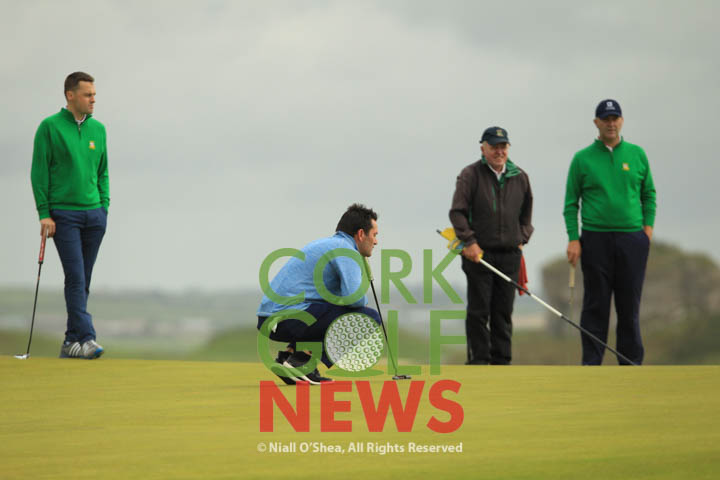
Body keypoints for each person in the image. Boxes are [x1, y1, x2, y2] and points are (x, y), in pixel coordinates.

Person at [564, 99, 656, 365]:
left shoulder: (637, 154)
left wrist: (647, 231)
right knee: (596, 305)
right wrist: (573, 238)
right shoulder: (582, 159)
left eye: (615, 118)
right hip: (595, 238)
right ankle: (592, 364)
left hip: (632, 239)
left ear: (622, 121)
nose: (611, 123)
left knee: (629, 306)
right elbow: (571, 203)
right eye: (605, 119)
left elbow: (649, 195)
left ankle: (630, 363)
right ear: (597, 123)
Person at [30, 72, 109, 359]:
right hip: (64, 216)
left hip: (94, 216)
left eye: (94, 94)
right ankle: (87, 338)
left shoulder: (98, 129)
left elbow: (103, 171)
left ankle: (70, 342)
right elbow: (39, 172)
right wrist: (44, 213)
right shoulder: (49, 127)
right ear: (70, 95)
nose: (93, 99)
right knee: (75, 276)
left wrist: (104, 207)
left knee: (83, 279)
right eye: (88, 94)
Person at [257, 203, 381, 384]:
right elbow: (354, 299)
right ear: (361, 234)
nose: (376, 242)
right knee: (368, 318)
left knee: (332, 310)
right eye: (374, 235)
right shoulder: (346, 250)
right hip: (287, 318)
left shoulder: (328, 244)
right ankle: (301, 361)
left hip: (270, 319)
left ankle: (289, 358)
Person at [449, 127, 534, 365]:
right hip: (478, 254)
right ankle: (479, 361)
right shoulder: (470, 175)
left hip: (510, 255)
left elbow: (526, 215)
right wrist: (470, 242)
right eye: (494, 146)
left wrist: (521, 238)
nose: (499, 151)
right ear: (483, 148)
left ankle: (502, 362)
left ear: (508, 148)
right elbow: (457, 212)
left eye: (503, 146)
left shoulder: (520, 177)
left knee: (503, 312)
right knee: (479, 311)